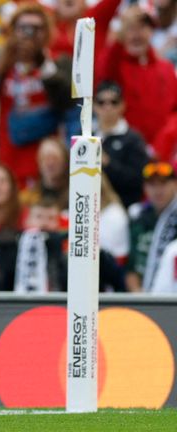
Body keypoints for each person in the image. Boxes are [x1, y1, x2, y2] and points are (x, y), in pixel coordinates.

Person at [0, 3, 74, 187]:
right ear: (13, 31)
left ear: (47, 32)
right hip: (9, 156)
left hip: (47, 161)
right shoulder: (1, 61)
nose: (29, 34)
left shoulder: (58, 61)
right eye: (23, 28)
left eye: (37, 28)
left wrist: (43, 66)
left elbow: (68, 101)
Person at [97, 4, 177, 145]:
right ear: (122, 33)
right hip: (125, 150)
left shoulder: (166, 68)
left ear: (151, 31)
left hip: (162, 151)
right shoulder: (114, 64)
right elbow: (106, 69)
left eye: (142, 27)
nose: (137, 34)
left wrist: (162, 146)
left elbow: (174, 112)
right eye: (130, 28)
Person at [93, 80, 149, 209]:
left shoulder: (133, 139)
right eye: (101, 102)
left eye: (114, 102)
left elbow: (138, 180)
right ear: (94, 106)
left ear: (122, 105)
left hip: (123, 207)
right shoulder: (86, 135)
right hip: (89, 205)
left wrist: (108, 163)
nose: (107, 107)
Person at [127, 161, 177, 292]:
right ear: (144, 187)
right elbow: (131, 267)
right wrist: (138, 294)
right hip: (143, 295)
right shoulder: (139, 218)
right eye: (152, 185)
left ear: (175, 184)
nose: (158, 190)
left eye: (163, 184)